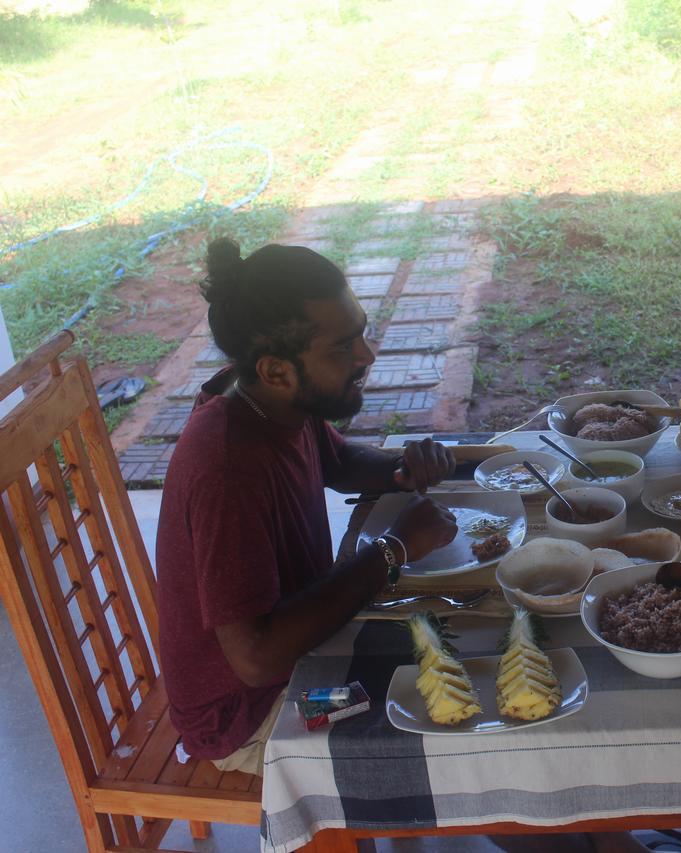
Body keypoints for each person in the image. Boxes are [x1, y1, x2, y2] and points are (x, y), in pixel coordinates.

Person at [157, 238, 459, 775]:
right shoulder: (227, 468)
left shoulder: (266, 399)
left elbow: (337, 461)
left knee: (451, 650)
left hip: (298, 652)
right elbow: (256, 659)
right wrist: (392, 550)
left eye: (361, 333)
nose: (367, 355)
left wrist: (400, 470)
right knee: (440, 710)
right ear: (276, 370)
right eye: (344, 348)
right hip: (255, 715)